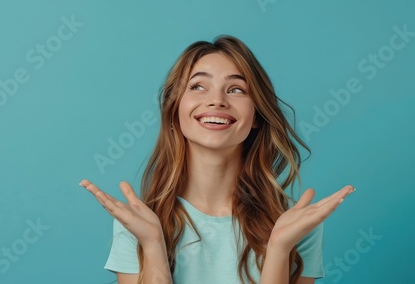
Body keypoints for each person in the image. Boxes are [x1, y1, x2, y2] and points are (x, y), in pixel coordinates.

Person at [80, 35, 355, 284]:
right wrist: (152, 243)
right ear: (174, 110)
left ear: (257, 115)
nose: (216, 101)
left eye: (236, 89)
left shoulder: (294, 223)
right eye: (198, 86)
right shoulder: (140, 222)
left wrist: (279, 248)